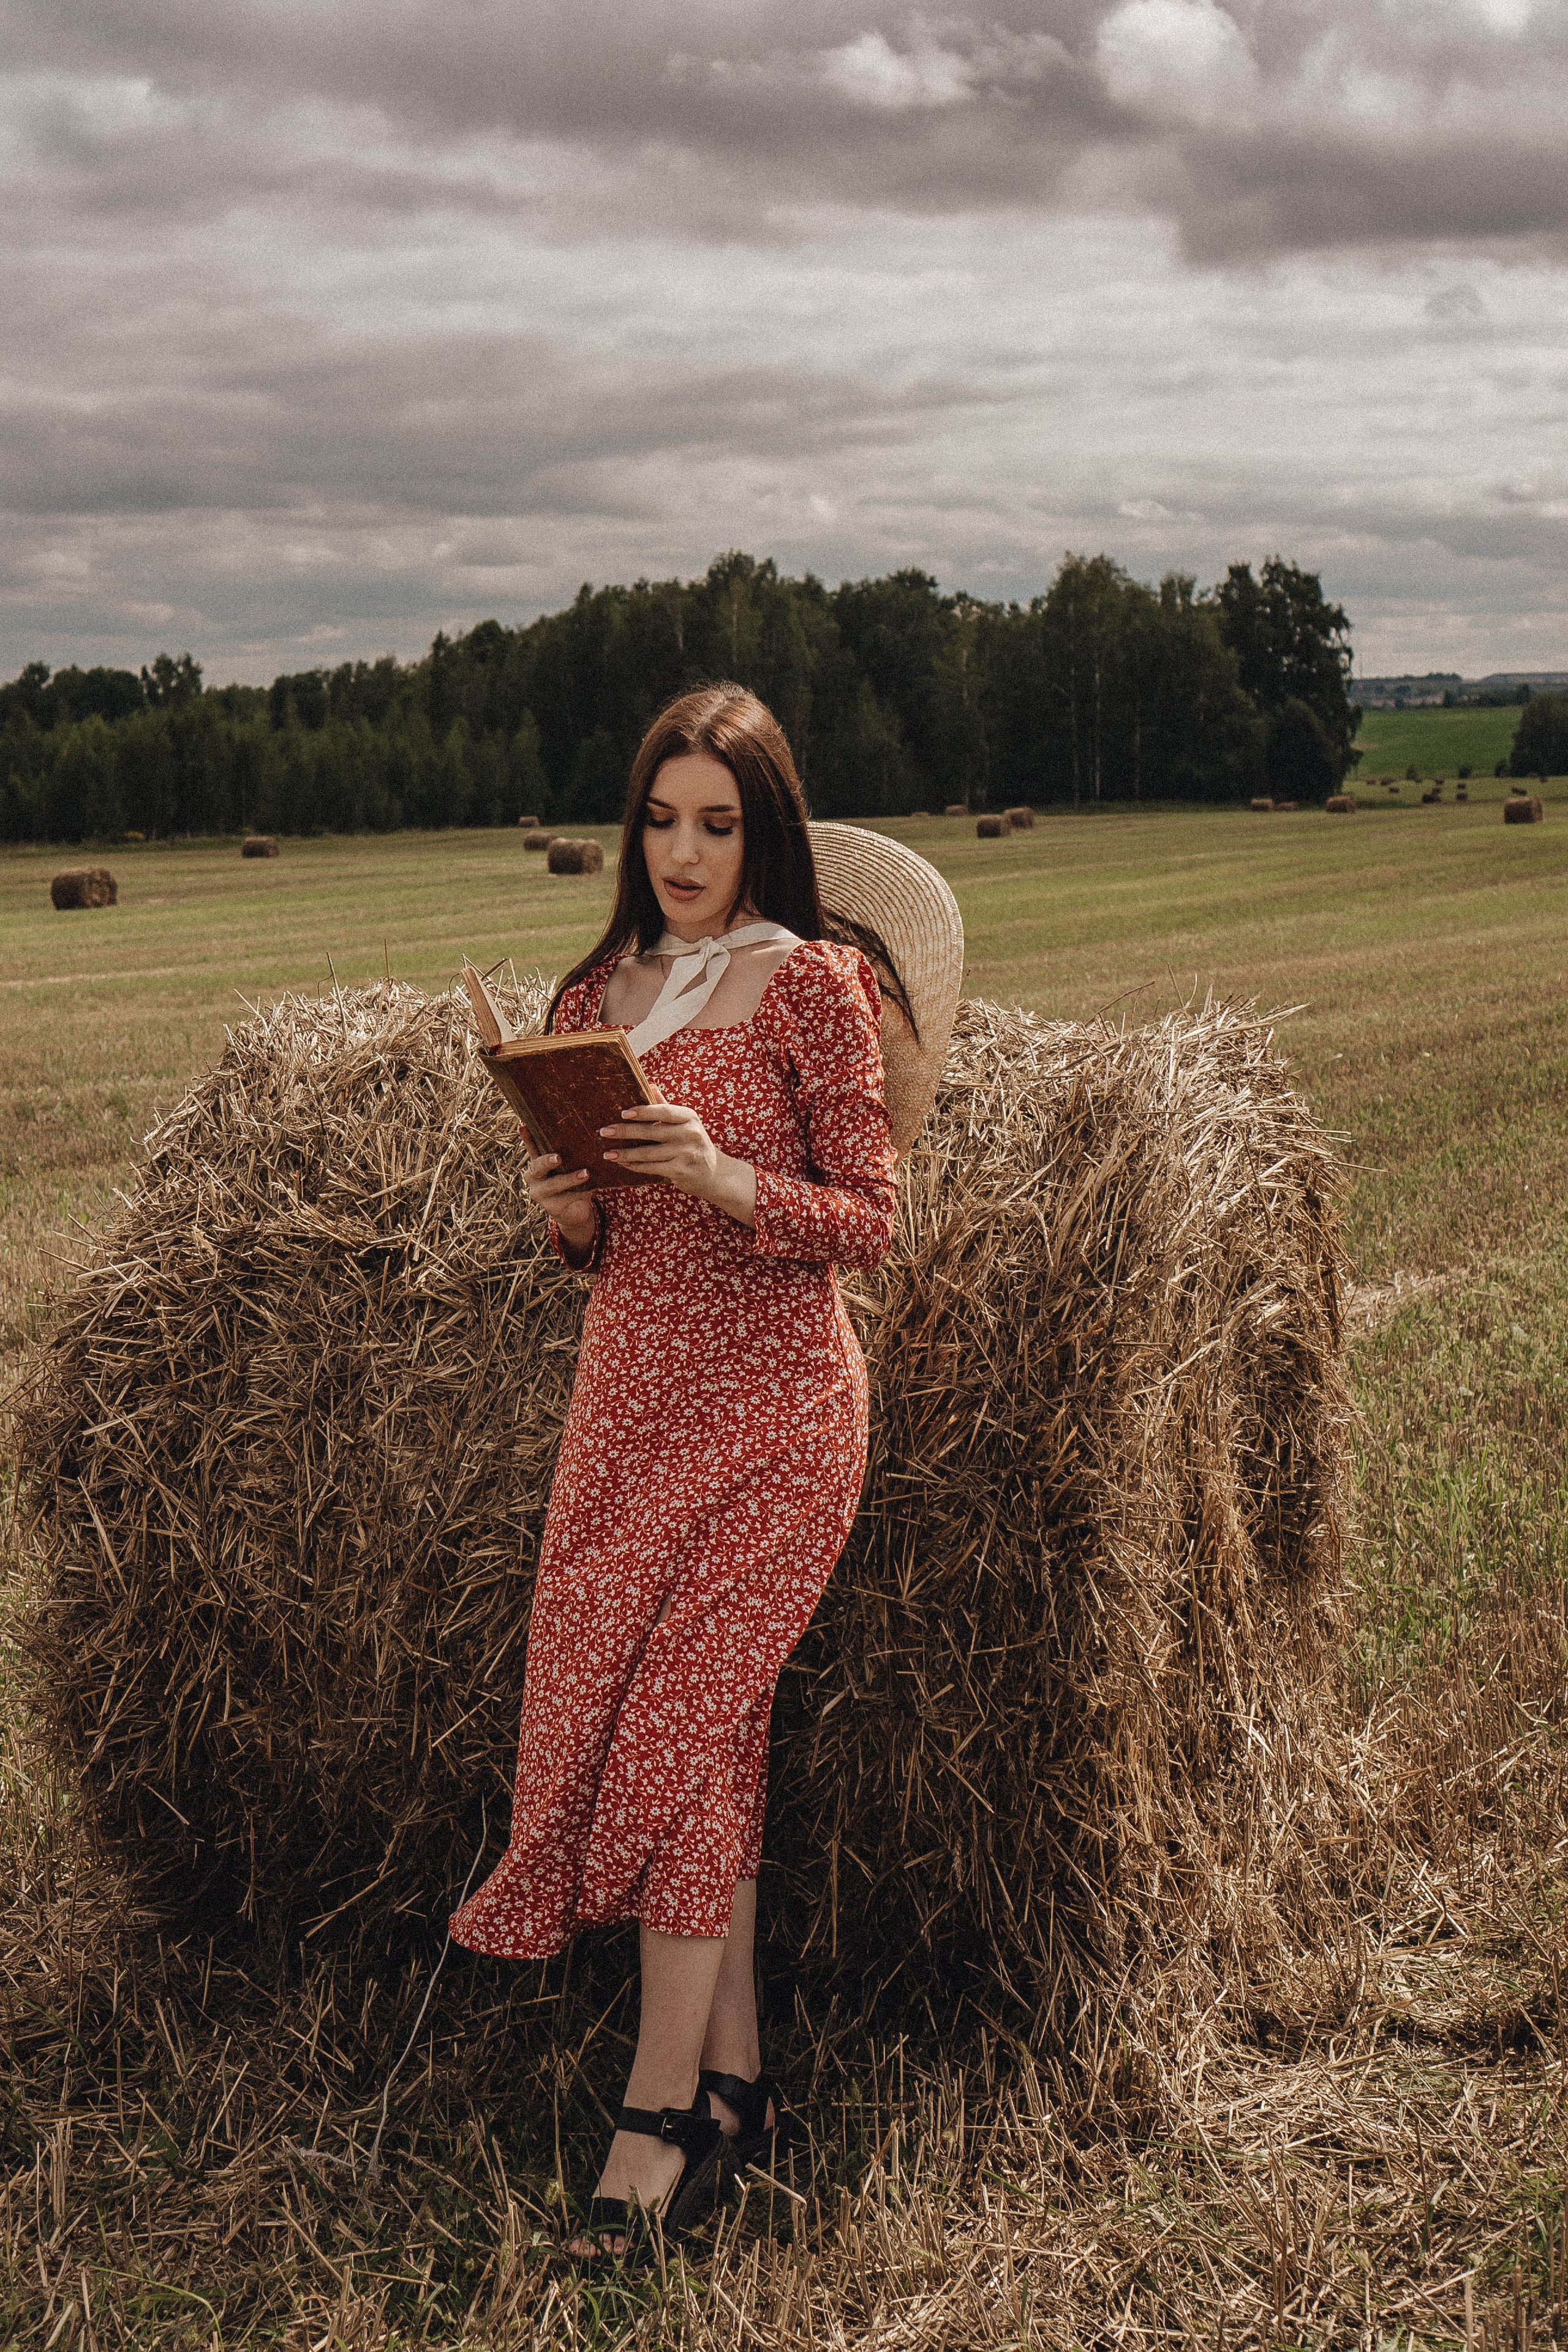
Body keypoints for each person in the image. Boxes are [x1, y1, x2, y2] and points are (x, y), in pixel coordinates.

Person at [450, 682, 911, 2258]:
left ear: (762, 831)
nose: (683, 853)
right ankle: (737, 2089)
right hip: (627, 1417)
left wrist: (723, 1176)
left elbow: (869, 1219)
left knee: (681, 1736)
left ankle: (651, 2121)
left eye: (716, 823)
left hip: (778, 1415)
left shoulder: (813, 986)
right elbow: (600, 1247)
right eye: (659, 820)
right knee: (688, 1747)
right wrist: (567, 1211)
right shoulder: (594, 992)